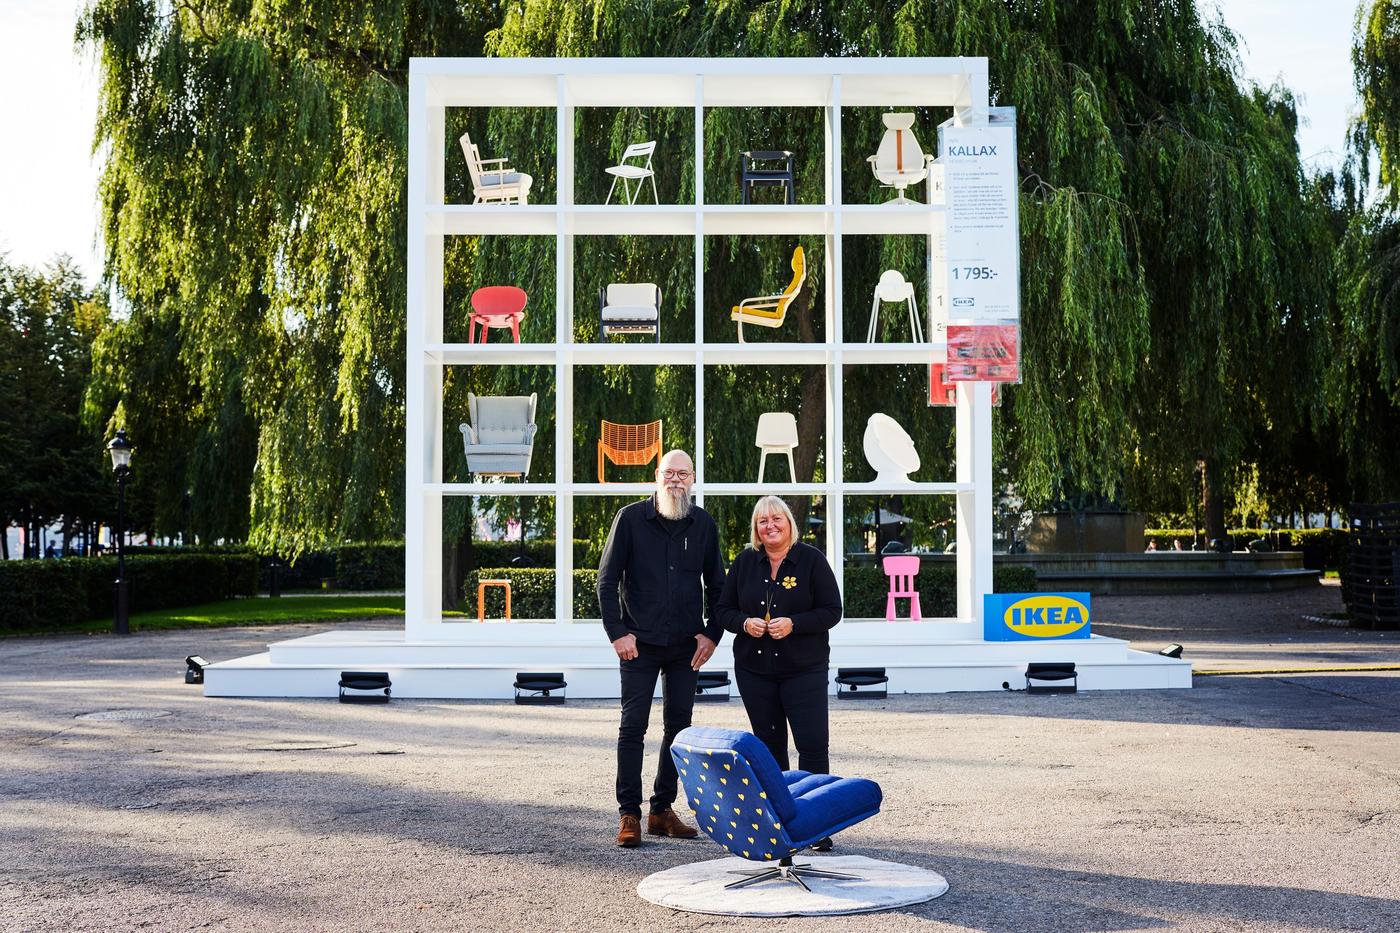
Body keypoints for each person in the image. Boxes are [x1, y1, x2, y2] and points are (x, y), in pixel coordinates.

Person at [597, 449, 725, 848]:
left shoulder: (703, 524)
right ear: (657, 475)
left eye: (683, 474)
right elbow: (606, 581)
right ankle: (629, 814)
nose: (676, 480)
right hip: (638, 644)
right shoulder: (630, 519)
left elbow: (718, 587)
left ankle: (661, 810)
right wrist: (618, 633)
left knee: (679, 728)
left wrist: (712, 634)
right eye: (669, 473)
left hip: (686, 645)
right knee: (632, 726)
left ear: (693, 479)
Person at [715, 495, 842, 847]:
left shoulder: (812, 560)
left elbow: (832, 610)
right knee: (769, 749)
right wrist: (744, 623)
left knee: (812, 745)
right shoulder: (744, 563)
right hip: (755, 671)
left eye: (776, 519)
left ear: (789, 523)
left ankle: (817, 824)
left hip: (804, 669)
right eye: (762, 521)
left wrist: (794, 624)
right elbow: (722, 611)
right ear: (756, 529)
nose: (770, 525)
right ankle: (781, 822)